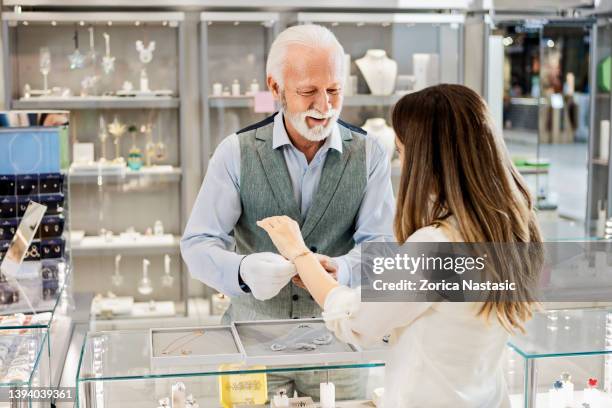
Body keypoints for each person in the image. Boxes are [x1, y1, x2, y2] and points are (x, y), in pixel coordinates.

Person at [257, 84, 543, 407]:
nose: (401, 163)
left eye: (403, 151)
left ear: (428, 159)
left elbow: (355, 321)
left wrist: (299, 253)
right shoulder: (512, 232)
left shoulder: (434, 247)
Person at [181, 24, 394, 398]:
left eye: (333, 91)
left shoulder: (370, 154)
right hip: (251, 344)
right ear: (275, 87)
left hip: (339, 345)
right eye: (308, 92)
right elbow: (198, 243)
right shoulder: (235, 152)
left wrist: (343, 270)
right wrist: (242, 271)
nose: (324, 106)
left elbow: (382, 247)